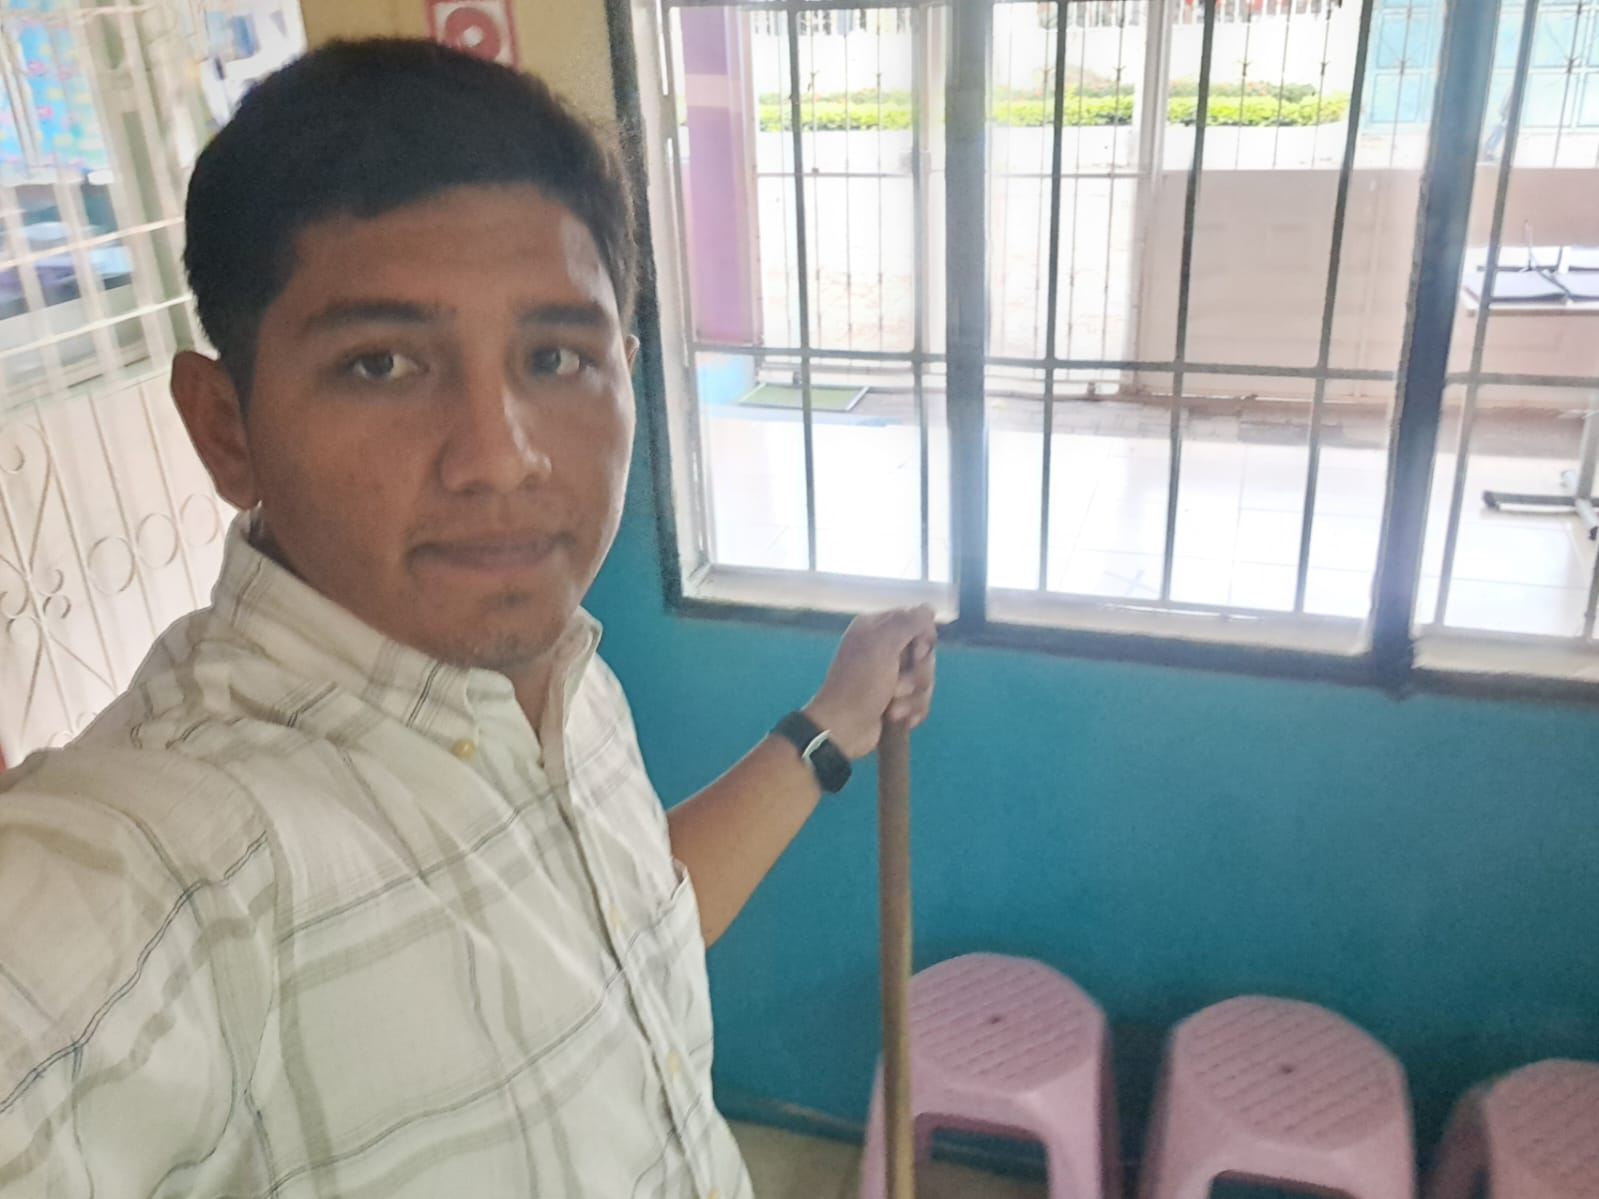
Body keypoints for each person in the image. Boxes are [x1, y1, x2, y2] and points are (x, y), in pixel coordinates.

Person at [0, 39, 935, 1198]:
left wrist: (833, 718)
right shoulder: (174, 857)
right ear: (226, 428)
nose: (500, 455)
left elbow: (626, 932)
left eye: (555, 356)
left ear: (626, 373)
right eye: (381, 363)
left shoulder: (560, 674)